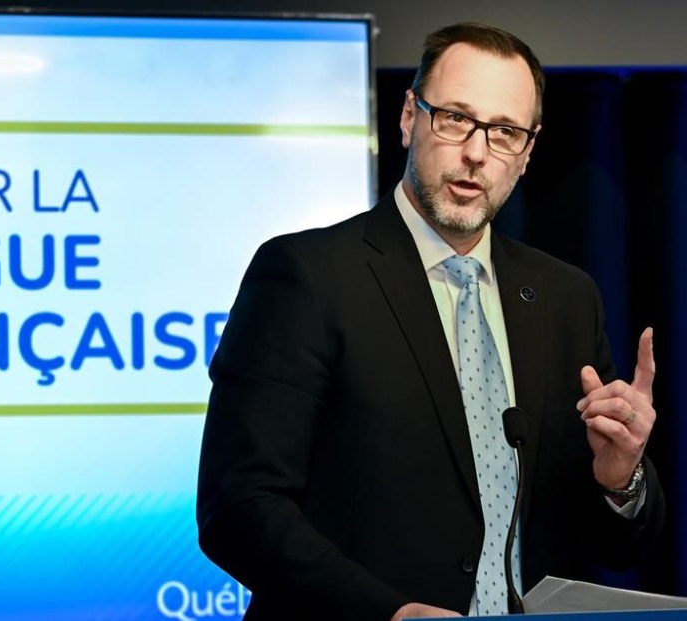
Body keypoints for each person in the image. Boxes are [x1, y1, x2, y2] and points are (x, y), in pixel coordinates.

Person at [196, 22, 665, 621]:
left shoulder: (564, 297)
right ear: (409, 117)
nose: (476, 152)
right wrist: (388, 614)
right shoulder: (306, 276)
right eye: (455, 119)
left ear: (527, 152)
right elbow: (237, 508)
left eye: (503, 132)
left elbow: (615, 546)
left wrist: (619, 478)